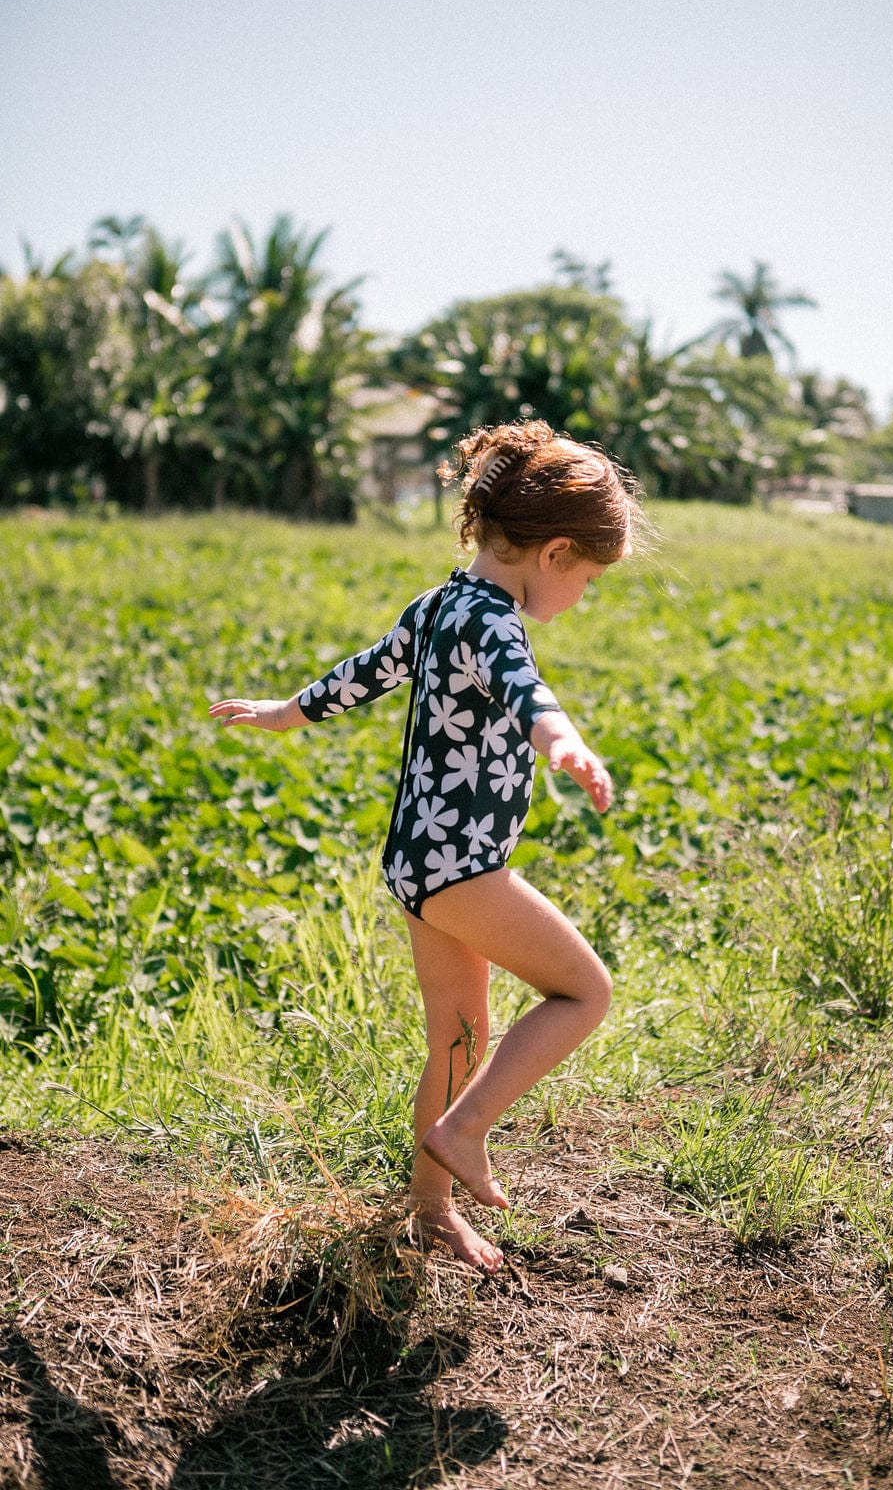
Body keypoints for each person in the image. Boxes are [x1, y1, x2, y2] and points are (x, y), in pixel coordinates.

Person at [209, 421, 643, 1273]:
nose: (583, 594)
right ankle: (467, 1128)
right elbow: (527, 692)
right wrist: (563, 743)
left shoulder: (441, 603)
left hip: (416, 862)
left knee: (459, 1038)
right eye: (588, 578)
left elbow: (364, 672)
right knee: (584, 993)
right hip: (463, 868)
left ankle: (432, 1211)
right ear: (554, 552)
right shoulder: (495, 624)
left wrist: (283, 712)